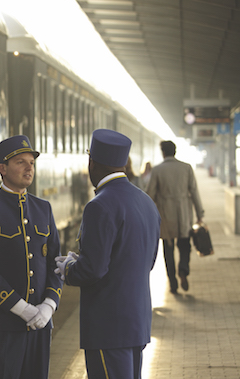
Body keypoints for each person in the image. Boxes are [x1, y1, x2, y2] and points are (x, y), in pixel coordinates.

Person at [55, 129, 160, 379]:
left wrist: (68, 267)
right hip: (136, 322)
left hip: (108, 325)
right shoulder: (145, 202)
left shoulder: (99, 205)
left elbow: (92, 270)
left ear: (92, 163)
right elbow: (147, 260)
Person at [0, 135, 63, 379]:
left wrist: (48, 306)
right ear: (2, 168)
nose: (29, 167)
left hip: (40, 324)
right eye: (21, 162)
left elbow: (55, 262)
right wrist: (23, 310)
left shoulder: (44, 208)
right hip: (3, 325)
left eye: (31, 162)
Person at [146, 140, 204, 293]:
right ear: (175, 151)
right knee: (185, 245)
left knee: (168, 249)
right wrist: (200, 214)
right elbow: (195, 192)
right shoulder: (186, 168)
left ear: (163, 152)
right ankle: (183, 270)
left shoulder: (158, 170)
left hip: (166, 215)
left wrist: (146, 215)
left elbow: (150, 194)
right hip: (184, 214)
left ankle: (173, 282)